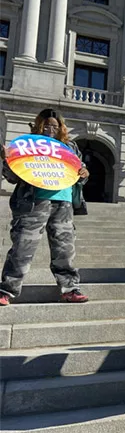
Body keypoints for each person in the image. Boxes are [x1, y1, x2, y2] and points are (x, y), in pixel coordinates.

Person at [0, 108, 90, 306]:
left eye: (55, 126)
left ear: (61, 128)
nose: (50, 129)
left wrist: (84, 174)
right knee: (23, 246)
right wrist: (7, 160)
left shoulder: (70, 147)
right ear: (39, 125)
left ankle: (70, 289)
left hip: (63, 202)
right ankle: (6, 289)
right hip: (33, 201)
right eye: (46, 125)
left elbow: (77, 172)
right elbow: (13, 177)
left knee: (64, 249)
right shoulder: (27, 145)